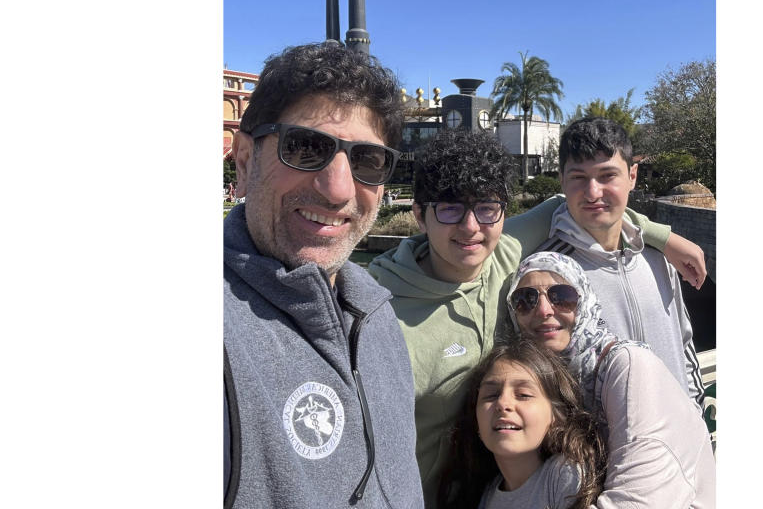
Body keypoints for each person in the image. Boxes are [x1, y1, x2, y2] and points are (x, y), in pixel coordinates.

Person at [367, 128, 708, 506]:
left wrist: (663, 236)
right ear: (419, 215)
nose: (470, 227)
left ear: (503, 214)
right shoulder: (380, 308)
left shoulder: (506, 252)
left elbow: (584, 198)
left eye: (486, 208)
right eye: (448, 208)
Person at [223, 43, 423, 508]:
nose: (337, 190)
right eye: (306, 148)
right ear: (247, 158)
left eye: (368, 160)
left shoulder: (376, 314)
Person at [506, 252, 716, 508]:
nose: (543, 310)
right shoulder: (543, 381)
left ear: (584, 301)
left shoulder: (628, 368)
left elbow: (639, 501)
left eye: (561, 296)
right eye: (525, 300)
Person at [538, 116, 706, 405]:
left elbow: (684, 344)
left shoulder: (658, 258)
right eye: (578, 178)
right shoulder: (547, 273)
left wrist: (696, 409)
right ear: (562, 181)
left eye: (607, 176)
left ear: (632, 176)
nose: (593, 193)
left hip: (684, 441)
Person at [437, 339, 605, 509]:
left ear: (557, 416)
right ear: (477, 422)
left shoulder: (564, 475)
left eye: (523, 394)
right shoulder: (483, 497)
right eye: (491, 395)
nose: (503, 403)